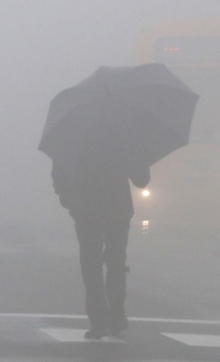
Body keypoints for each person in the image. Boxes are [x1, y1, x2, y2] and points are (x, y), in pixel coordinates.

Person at [51, 126, 150, 339]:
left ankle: (99, 321)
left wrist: (67, 198)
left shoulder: (72, 135)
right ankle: (116, 318)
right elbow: (142, 179)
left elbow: (59, 171)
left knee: (90, 264)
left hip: (85, 208)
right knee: (115, 262)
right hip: (117, 208)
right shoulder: (123, 133)